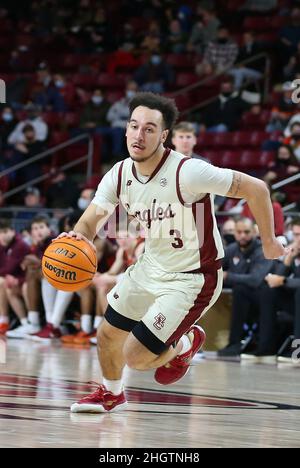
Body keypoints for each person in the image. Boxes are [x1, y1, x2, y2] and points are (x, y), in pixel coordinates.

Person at [55, 92, 286, 413]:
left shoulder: (189, 172)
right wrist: (76, 239)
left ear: (164, 136)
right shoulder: (119, 174)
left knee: (135, 356)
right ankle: (111, 393)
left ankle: (187, 342)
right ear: (125, 130)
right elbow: (90, 222)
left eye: (149, 129)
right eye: (134, 126)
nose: (138, 135)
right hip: (151, 266)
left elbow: (256, 188)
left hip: (192, 278)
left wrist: (269, 240)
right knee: (107, 334)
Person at [218, 218, 273, 357]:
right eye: (239, 232)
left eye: (246, 232)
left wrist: (228, 276)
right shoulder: (232, 249)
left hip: (263, 298)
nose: (242, 235)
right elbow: (217, 269)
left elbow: (255, 280)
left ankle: (235, 343)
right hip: (241, 297)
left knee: (240, 290)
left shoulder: (262, 251)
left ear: (254, 232)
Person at [0, 219, 31, 335]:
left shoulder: (20, 245)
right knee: (4, 284)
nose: (2, 235)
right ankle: (23, 322)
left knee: (2, 283)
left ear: (13, 231)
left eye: (4, 231)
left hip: (25, 280)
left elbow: (10, 268)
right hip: (15, 279)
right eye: (0, 232)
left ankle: (5, 320)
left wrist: (16, 279)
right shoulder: (4, 245)